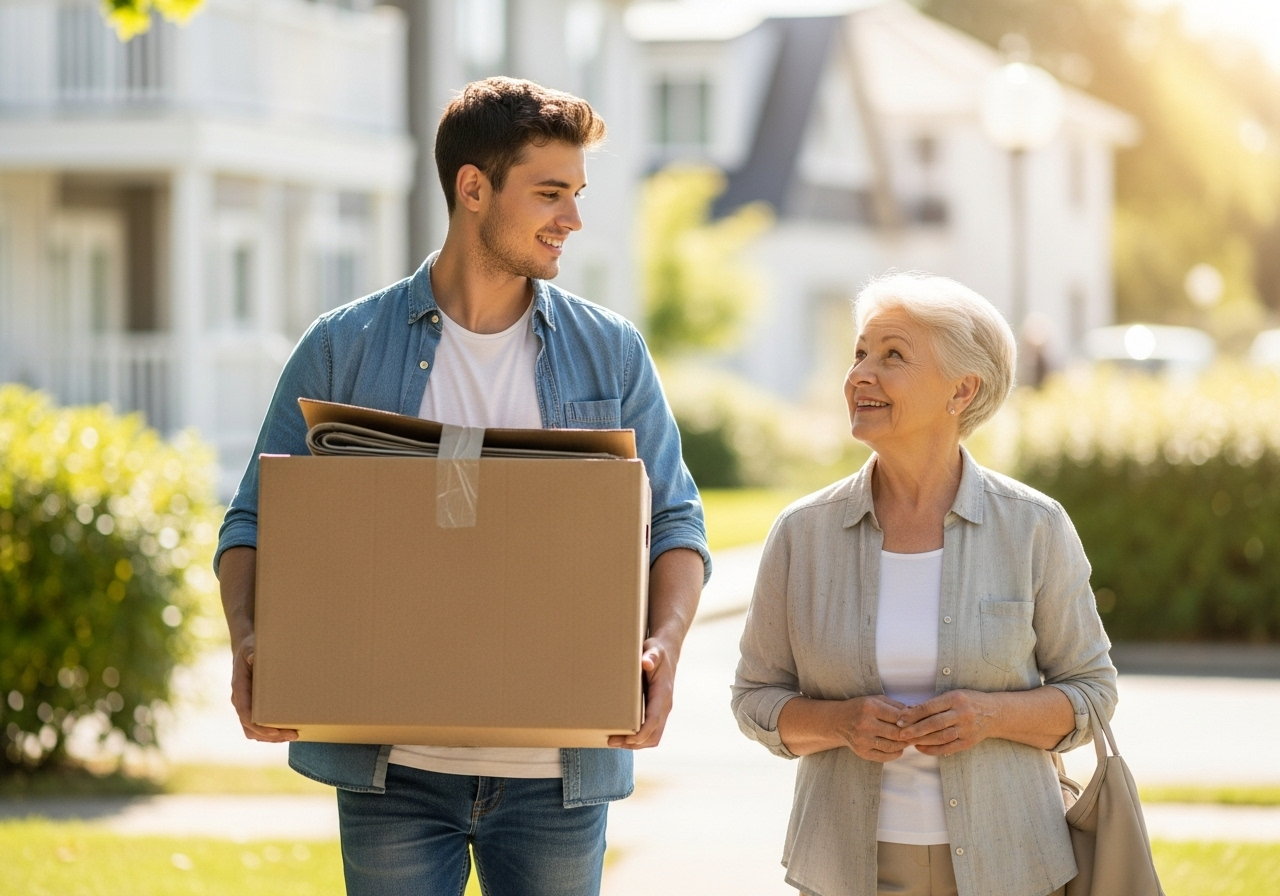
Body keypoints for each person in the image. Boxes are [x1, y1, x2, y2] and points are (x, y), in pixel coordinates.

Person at [216, 78, 709, 896]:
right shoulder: (344, 346)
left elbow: (677, 521)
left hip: (558, 775)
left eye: (577, 194)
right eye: (551, 193)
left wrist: (666, 644)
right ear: (472, 188)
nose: (573, 220)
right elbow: (253, 521)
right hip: (393, 772)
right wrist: (247, 636)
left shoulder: (611, 353)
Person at [731, 272, 1116, 896]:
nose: (860, 374)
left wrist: (990, 715)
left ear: (962, 389)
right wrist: (841, 724)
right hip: (847, 869)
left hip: (1011, 865)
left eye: (893, 356)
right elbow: (755, 699)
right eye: (859, 353)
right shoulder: (803, 533)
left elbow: (1092, 694)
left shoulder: (1033, 527)